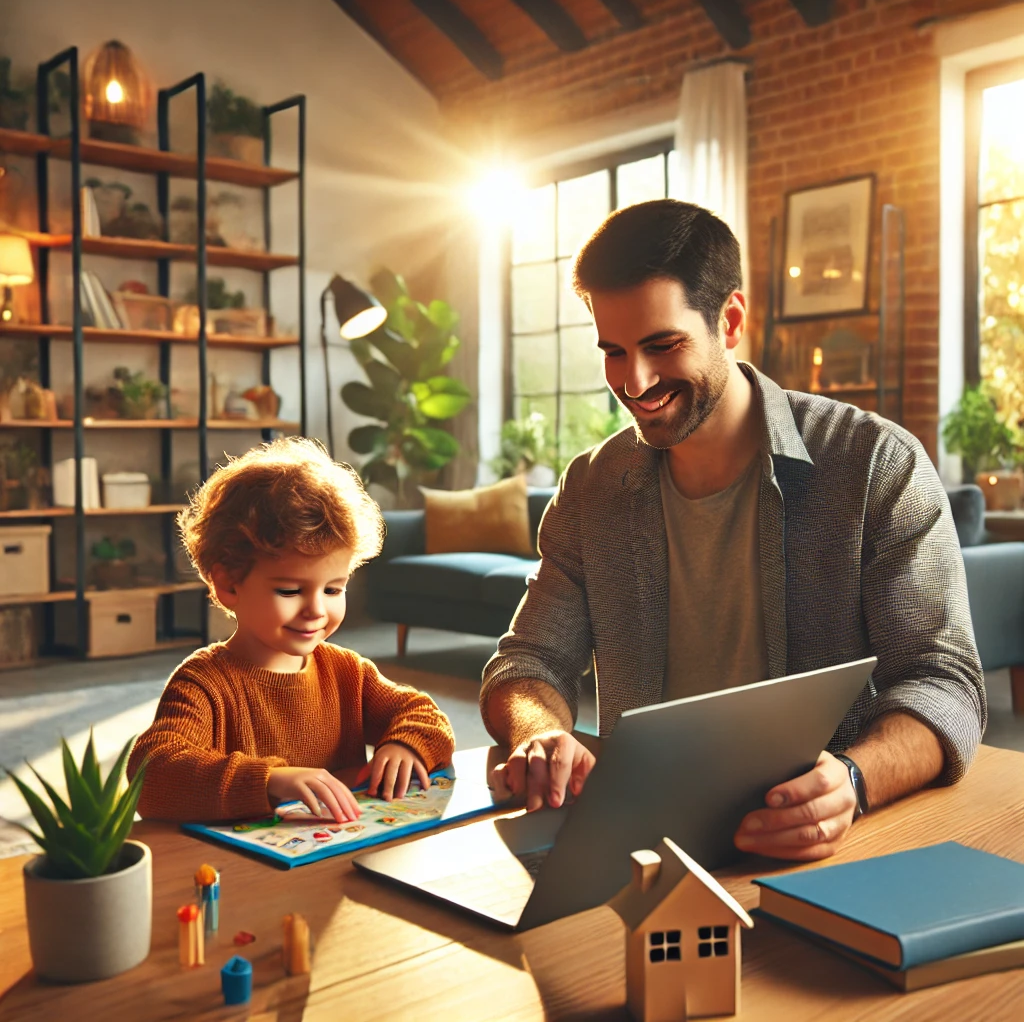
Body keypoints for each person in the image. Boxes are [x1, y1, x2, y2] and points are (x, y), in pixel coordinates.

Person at [481, 199, 985, 862]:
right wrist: (538, 734)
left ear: (732, 321)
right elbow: (528, 662)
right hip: (643, 855)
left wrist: (855, 780)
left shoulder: (874, 465)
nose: (634, 383)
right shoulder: (592, 487)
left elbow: (942, 677)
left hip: (830, 844)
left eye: (663, 345)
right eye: (613, 352)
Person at [127, 437, 454, 823]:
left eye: (334, 589)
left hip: (336, 860)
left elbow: (424, 716)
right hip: (242, 872)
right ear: (229, 585)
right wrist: (268, 780)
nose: (316, 609)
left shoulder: (346, 672)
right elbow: (151, 774)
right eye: (290, 590)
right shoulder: (204, 683)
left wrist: (405, 745)